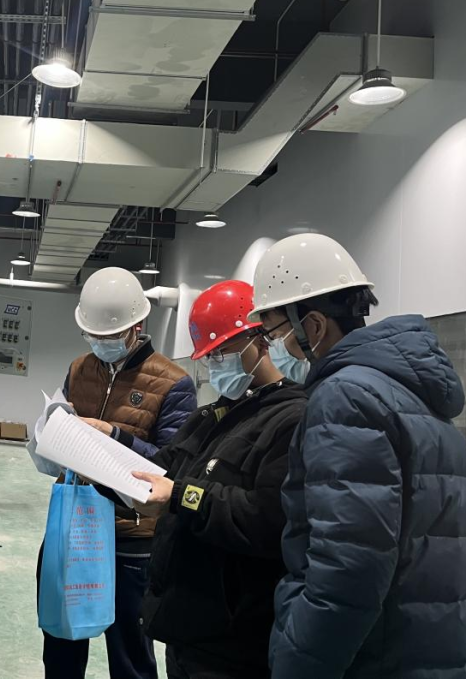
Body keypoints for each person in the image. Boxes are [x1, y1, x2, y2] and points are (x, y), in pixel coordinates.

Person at [247, 233, 466, 679]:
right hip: (429, 647)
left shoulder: (346, 398)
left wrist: (297, 665)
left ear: (313, 327)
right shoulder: (411, 392)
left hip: (376, 658)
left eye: (275, 333)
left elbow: (348, 569)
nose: (274, 347)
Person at [123, 280, 306, 679]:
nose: (215, 364)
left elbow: (266, 518)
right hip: (187, 625)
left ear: (259, 339)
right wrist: (108, 454)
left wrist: (181, 496)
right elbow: (165, 465)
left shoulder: (291, 419)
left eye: (221, 352)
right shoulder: (214, 415)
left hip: (234, 640)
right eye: (209, 357)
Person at [41, 266, 197, 679]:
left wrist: (114, 434)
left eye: (110, 336)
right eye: (92, 335)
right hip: (75, 525)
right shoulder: (79, 369)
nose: (100, 343)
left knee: (131, 656)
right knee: (60, 646)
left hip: (132, 538)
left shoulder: (174, 384)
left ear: (136, 326)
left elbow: (172, 466)